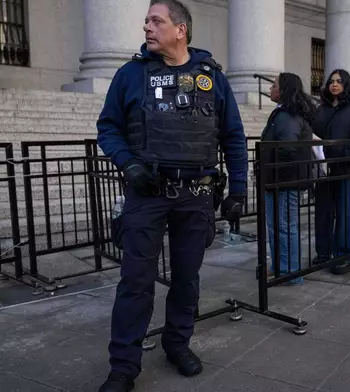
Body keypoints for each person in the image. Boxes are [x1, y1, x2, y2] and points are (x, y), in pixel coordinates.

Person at [95, 1, 248, 391]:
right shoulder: (130, 74)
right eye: (146, 20)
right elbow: (108, 127)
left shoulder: (211, 77)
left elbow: (232, 136)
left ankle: (177, 344)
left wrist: (238, 190)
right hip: (147, 194)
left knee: (186, 280)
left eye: (156, 21)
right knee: (135, 282)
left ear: (181, 29)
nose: (147, 26)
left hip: (196, 195)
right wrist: (128, 163)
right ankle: (124, 366)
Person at [312, 69, 350, 274]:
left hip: (346, 168)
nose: (334, 84)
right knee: (323, 213)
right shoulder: (321, 109)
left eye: (339, 81)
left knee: (345, 213)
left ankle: (344, 256)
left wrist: (341, 153)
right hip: (324, 169)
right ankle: (323, 254)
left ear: (346, 84)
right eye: (331, 81)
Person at [261, 73, 316, 285]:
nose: (270, 89)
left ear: (283, 90)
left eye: (273, 86)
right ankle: (280, 268)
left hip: (283, 181)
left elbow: (287, 149)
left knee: (283, 226)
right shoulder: (285, 113)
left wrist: (272, 173)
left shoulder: (287, 116)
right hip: (279, 180)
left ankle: (290, 272)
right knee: (278, 226)